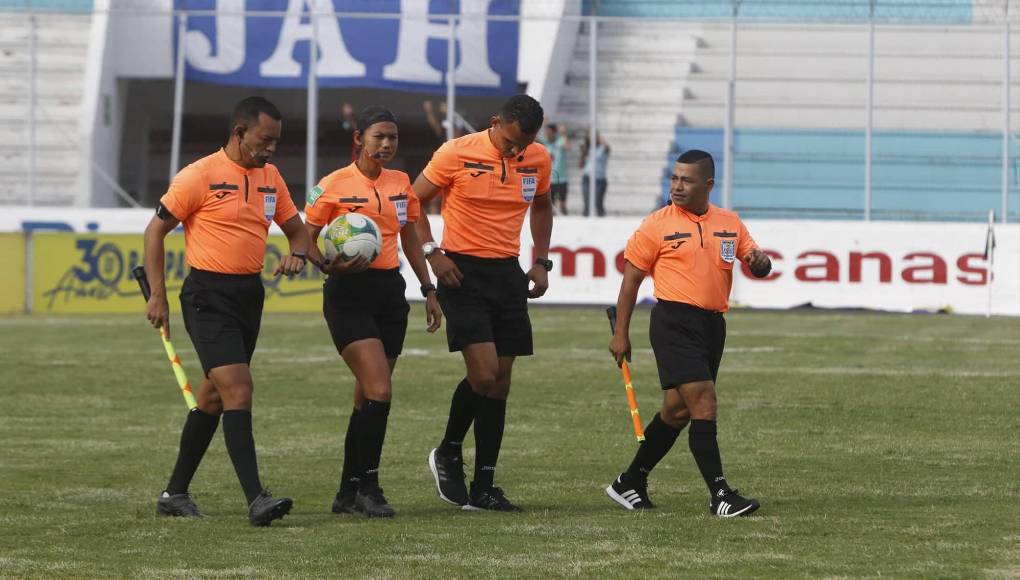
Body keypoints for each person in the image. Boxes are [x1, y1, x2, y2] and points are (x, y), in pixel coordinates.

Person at [142, 96, 310, 526]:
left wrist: (298, 253)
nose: (271, 149)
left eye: (276, 141)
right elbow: (155, 230)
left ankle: (174, 493)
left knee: (213, 397)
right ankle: (257, 499)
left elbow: (298, 231)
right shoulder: (199, 175)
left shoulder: (271, 177)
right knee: (238, 389)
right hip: (207, 296)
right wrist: (157, 295)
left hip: (248, 296)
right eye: (265, 140)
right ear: (239, 133)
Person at [606, 149, 772, 517]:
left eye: (686, 180)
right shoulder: (656, 224)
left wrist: (761, 263)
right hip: (673, 322)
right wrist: (621, 332)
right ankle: (720, 496)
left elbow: (755, 260)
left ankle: (629, 481)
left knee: (677, 411)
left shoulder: (730, 221)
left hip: (713, 326)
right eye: (674, 178)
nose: (677, 186)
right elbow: (631, 280)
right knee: (704, 403)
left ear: (708, 184)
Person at [414, 94, 554, 512]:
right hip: (461, 273)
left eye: (523, 145)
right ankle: (448, 449)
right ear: (495, 122)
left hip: (507, 273)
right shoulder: (456, 152)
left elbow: (543, 206)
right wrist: (431, 252)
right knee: (485, 374)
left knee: (502, 382)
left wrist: (542, 260)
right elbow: (412, 201)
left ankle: (485, 486)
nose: (516, 151)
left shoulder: (539, 159)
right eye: (510, 142)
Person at [304, 106, 443, 518]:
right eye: (379, 136)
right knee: (380, 390)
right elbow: (304, 238)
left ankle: (346, 495)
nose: (386, 144)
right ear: (359, 139)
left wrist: (429, 288)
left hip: (389, 292)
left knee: (366, 396)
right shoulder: (330, 186)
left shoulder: (402, 184)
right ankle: (370, 488)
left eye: (393, 138)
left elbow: (411, 239)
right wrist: (325, 264)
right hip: (347, 292)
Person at [538, 123, 569, 215]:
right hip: (549, 179)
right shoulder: (545, 142)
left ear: (554, 132)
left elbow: (568, 147)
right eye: (546, 132)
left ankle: (567, 221)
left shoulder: (561, 141)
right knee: (551, 205)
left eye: (549, 132)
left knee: (563, 204)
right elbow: (534, 138)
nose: (547, 133)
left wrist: (564, 134)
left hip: (562, 178)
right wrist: (541, 125)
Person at [580, 133, 610, 217]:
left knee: (598, 203)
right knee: (587, 202)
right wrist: (583, 154)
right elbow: (580, 165)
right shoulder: (588, 150)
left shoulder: (603, 149)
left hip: (599, 179)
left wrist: (599, 137)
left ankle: (601, 220)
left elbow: (607, 147)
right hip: (587, 178)